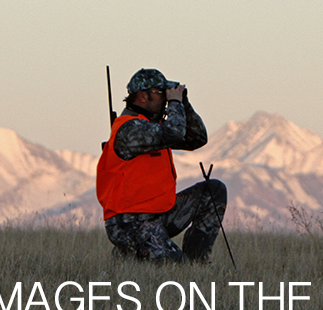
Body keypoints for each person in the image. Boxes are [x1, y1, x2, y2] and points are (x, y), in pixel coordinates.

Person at [96, 68, 227, 262]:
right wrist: (175, 102)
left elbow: (196, 138)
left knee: (213, 190)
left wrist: (183, 103)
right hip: (130, 223)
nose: (164, 100)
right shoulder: (130, 129)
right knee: (174, 268)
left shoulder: (150, 127)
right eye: (160, 94)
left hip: (158, 215)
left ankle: (196, 262)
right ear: (142, 97)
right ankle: (133, 250)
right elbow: (173, 133)